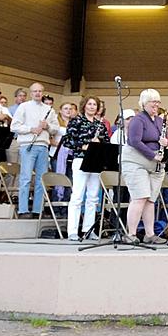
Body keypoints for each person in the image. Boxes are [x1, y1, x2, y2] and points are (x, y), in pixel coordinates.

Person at [121, 89, 168, 243]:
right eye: (152, 101)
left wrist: (166, 143)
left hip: (154, 165)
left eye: (158, 101)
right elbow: (135, 141)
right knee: (140, 197)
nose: (156, 104)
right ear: (143, 103)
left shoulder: (160, 121)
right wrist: (152, 154)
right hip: (136, 162)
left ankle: (149, 234)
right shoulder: (138, 120)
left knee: (150, 200)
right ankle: (131, 234)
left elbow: (164, 140)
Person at [63, 96, 109, 240]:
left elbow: (106, 142)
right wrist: (85, 146)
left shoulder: (99, 124)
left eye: (94, 105)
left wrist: (99, 143)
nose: (92, 107)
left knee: (93, 197)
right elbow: (68, 140)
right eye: (89, 104)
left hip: (95, 162)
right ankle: (72, 231)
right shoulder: (76, 120)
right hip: (81, 159)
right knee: (77, 196)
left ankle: (89, 230)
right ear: (84, 106)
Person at [10, 82, 60, 217]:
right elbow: (14, 126)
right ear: (31, 93)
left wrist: (47, 126)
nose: (37, 93)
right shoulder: (24, 107)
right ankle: (23, 209)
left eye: (40, 91)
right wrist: (31, 129)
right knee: (25, 178)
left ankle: (38, 210)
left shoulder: (49, 109)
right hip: (28, 145)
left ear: (42, 93)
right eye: (34, 91)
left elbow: (56, 128)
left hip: (43, 146)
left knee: (40, 179)